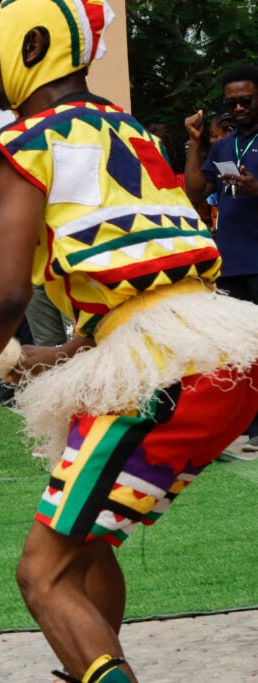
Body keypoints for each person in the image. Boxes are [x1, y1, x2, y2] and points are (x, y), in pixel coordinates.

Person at [0, 2, 258, 681]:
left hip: (164, 372)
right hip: (225, 354)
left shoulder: (27, 144)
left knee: (41, 575)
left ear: (33, 45)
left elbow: (3, 295)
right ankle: (96, 665)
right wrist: (74, 347)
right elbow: (146, 265)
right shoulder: (127, 130)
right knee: (89, 547)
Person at [184, 64, 258, 450]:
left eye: (246, 100)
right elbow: (196, 192)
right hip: (231, 261)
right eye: (232, 103)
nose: (239, 108)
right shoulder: (223, 145)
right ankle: (246, 424)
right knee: (238, 349)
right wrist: (196, 142)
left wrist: (255, 189)